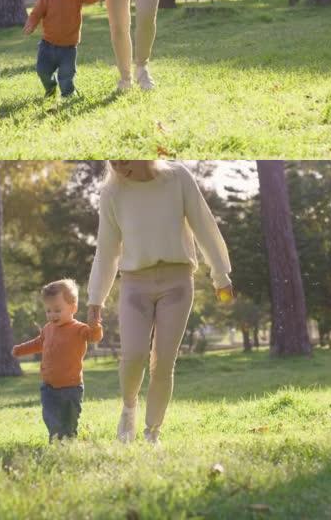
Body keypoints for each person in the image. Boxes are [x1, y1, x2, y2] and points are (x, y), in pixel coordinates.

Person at [86, 160, 234, 444]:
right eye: (112, 160)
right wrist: (96, 298)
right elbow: (106, 250)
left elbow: (204, 224)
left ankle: (152, 432)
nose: (118, 165)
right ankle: (129, 409)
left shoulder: (177, 178)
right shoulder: (112, 193)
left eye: (124, 157)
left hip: (177, 282)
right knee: (133, 356)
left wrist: (220, 275)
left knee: (163, 363)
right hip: (134, 284)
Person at [12, 279, 104, 441]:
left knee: (69, 420)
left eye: (57, 310)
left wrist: (95, 325)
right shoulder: (48, 329)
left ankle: (68, 440)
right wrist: (20, 350)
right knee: (51, 417)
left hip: (71, 387)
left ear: (73, 308)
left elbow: (94, 337)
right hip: (49, 387)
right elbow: (38, 343)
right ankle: (56, 439)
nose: (52, 315)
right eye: (48, 311)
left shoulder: (79, 329)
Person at [23, 0, 102, 99]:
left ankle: (68, 94)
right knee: (43, 71)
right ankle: (50, 88)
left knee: (66, 74)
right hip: (47, 45)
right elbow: (36, 13)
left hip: (69, 47)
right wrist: (31, 23)